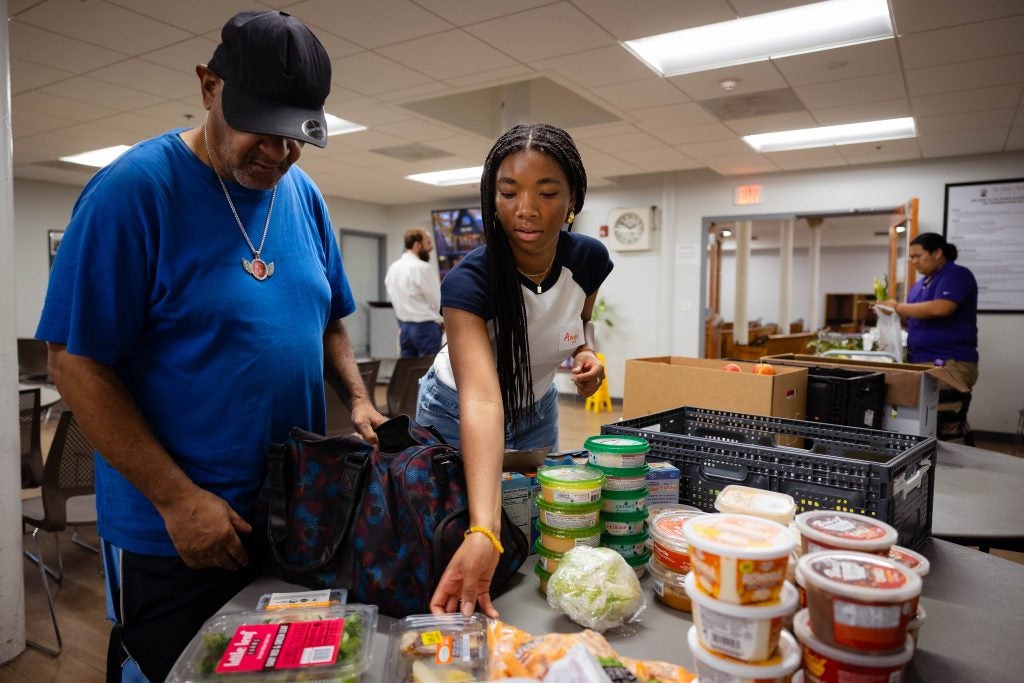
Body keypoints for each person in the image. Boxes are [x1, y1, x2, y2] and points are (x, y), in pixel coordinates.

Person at [34, 10, 386, 682]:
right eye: (264, 130)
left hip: (293, 512)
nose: (279, 155)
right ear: (207, 86)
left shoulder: (302, 195)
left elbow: (330, 318)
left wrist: (360, 400)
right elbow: (73, 362)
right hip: (174, 529)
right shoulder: (134, 193)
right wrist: (176, 499)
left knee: (272, 672)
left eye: (296, 138)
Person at [415, 122, 613, 618]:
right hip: (455, 408)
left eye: (547, 193)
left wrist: (586, 354)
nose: (525, 209)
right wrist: (483, 527)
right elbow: (481, 399)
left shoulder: (589, 260)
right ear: (492, 199)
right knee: (455, 531)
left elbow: (579, 319)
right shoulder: (469, 283)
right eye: (508, 192)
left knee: (527, 520)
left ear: (571, 201)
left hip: (537, 404)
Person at [878, 232, 979, 390]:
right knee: (910, 412)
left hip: (948, 361)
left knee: (939, 413)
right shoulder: (919, 285)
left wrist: (896, 306)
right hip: (919, 360)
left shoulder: (956, 274)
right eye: (911, 257)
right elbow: (911, 319)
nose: (914, 261)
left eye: (918, 256)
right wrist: (888, 313)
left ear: (937, 253)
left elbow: (941, 309)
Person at [384, 227, 445, 357]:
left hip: (404, 329)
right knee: (429, 373)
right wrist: (444, 322)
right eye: (428, 243)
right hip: (426, 329)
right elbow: (438, 301)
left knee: (408, 372)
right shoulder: (423, 268)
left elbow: (391, 297)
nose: (431, 248)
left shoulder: (393, 268)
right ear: (417, 245)